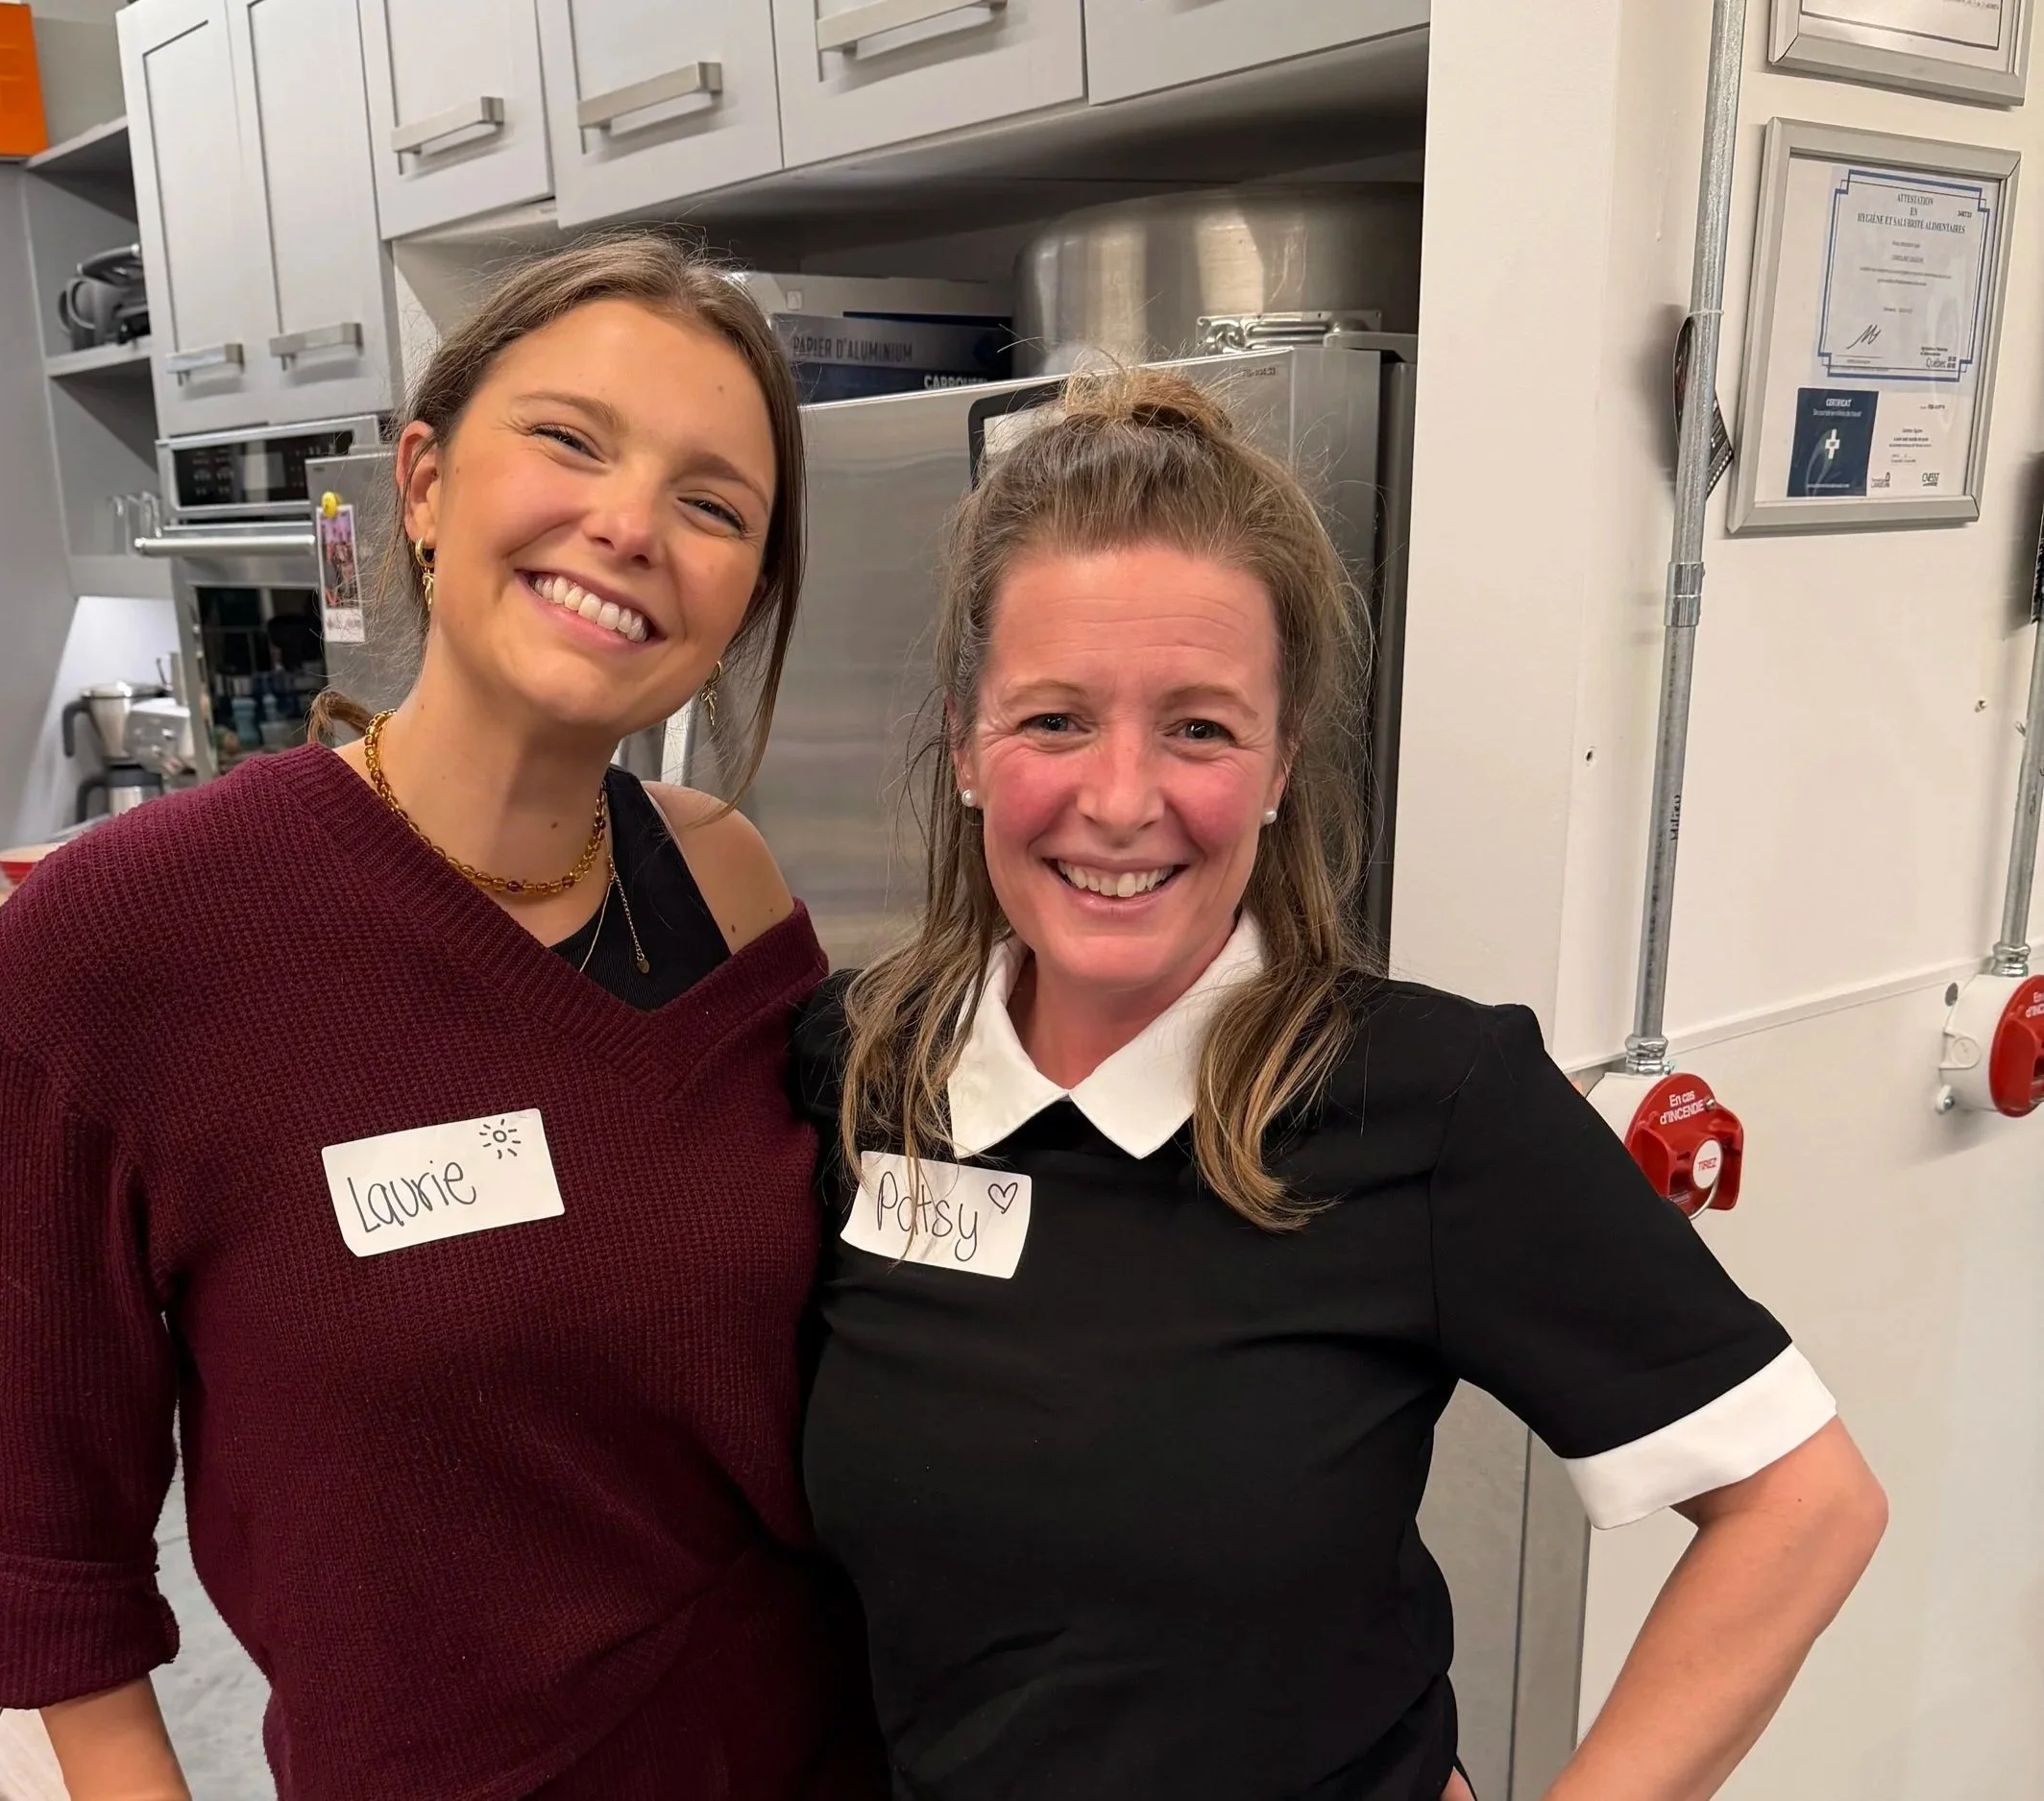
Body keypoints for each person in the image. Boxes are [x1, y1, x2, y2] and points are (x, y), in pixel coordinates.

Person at [791, 370, 1887, 1800]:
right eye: (1053, 719)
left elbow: (1804, 1504)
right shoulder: (863, 1069)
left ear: (1280, 765)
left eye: (1199, 727)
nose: (1119, 798)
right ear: (965, 745)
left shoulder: (1428, 1099)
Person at [0, 236, 879, 1801]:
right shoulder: (116, 948)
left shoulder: (728, 889)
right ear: (426, 481)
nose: (631, 524)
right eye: (570, 439)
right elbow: (50, 1561)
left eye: (714, 505)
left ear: (745, 595)